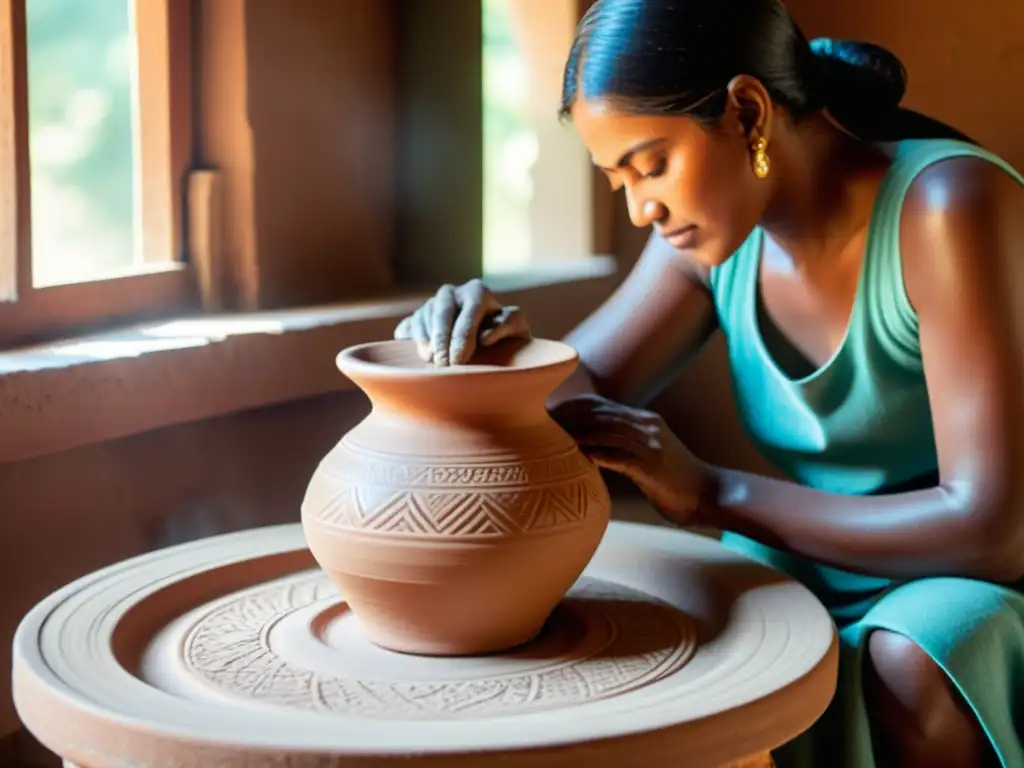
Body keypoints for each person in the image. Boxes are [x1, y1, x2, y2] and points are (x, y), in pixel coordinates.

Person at [394, 1, 1024, 765]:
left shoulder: (948, 208)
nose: (640, 209)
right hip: (817, 555)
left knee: (910, 657)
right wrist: (486, 345)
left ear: (747, 113)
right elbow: (573, 391)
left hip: (977, 576)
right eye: (617, 178)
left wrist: (713, 494)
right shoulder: (716, 240)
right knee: (680, 624)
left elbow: (993, 530)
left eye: (652, 163)